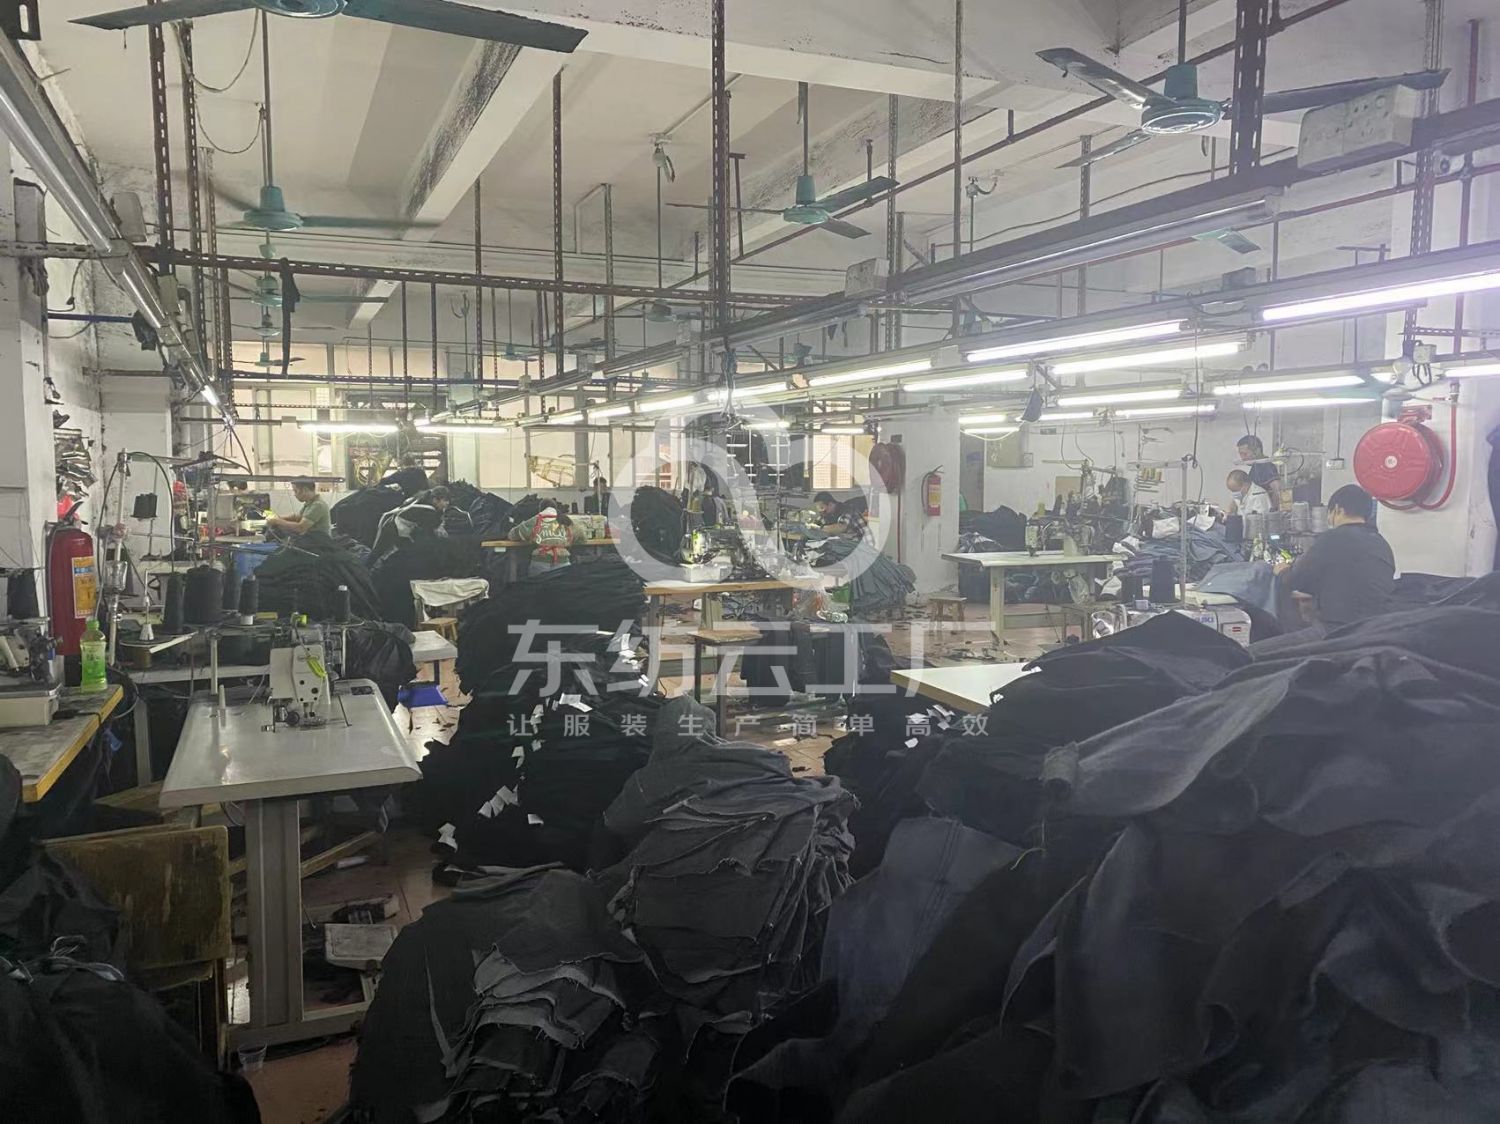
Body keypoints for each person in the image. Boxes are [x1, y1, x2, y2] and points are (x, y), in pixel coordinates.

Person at [1276, 484, 1394, 629]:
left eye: (1329, 513)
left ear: (1337, 509)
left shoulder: (1331, 539)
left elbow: (1298, 581)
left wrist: (1282, 571)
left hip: (1340, 630)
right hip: (1379, 627)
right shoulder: (1382, 544)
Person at [511, 505, 581, 573]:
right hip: (563, 562)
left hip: (541, 561)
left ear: (540, 509)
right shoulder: (565, 520)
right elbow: (579, 535)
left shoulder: (536, 519)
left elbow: (513, 534)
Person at [1236, 434, 1284, 510]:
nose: (1242, 458)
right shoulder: (1256, 467)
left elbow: (1278, 490)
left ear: (1257, 451)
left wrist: (1273, 511)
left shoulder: (1266, 466)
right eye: (1240, 454)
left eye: (1245, 454)